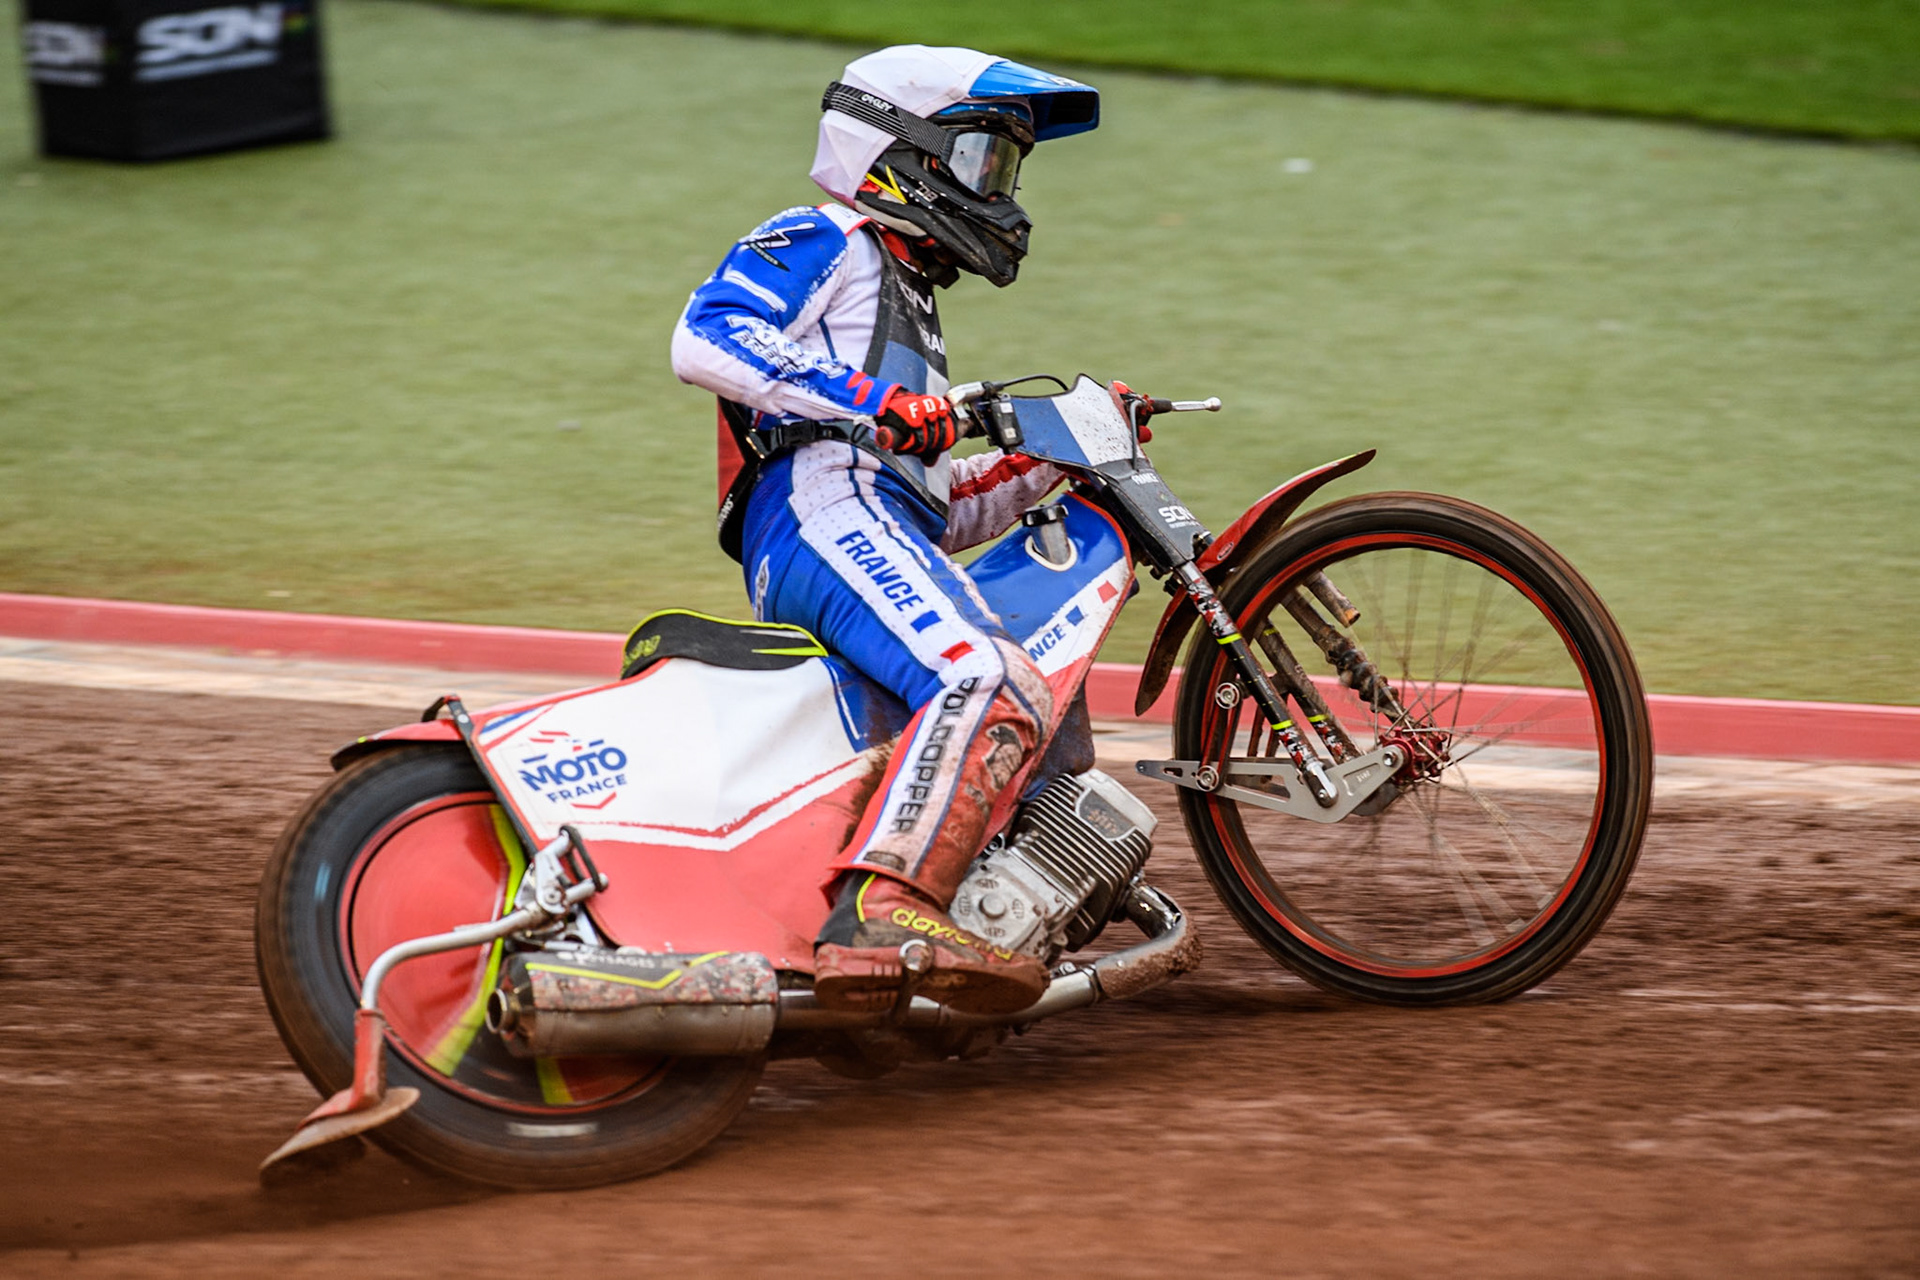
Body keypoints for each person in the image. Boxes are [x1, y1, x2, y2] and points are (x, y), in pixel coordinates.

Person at [670, 45, 1103, 1016]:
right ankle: (884, 909)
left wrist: (1054, 455)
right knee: (985, 675)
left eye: (1008, 169)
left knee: (1026, 666)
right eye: (985, 160)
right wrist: (876, 402)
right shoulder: (826, 237)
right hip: (820, 513)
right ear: (902, 152)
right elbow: (708, 334)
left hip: (865, 513)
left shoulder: (908, 301)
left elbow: (936, 508)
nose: (1003, 191)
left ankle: (994, 897)